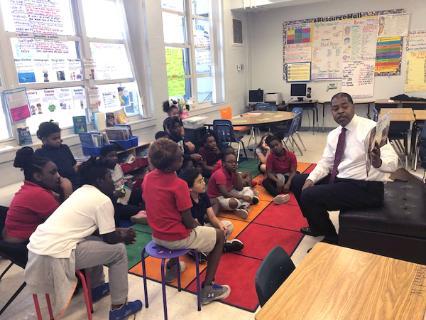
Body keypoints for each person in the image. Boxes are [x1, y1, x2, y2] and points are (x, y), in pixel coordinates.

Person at [25, 157, 142, 320]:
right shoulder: (102, 200)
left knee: (95, 242)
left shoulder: (80, 192)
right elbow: (110, 238)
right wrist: (123, 236)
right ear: (100, 181)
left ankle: (96, 289)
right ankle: (119, 307)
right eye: (110, 178)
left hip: (38, 250)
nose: (113, 182)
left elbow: (93, 231)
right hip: (58, 254)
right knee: (118, 251)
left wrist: (117, 232)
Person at [290, 92, 398, 244]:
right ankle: (317, 226)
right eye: (335, 108)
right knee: (298, 181)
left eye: (344, 106)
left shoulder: (371, 128)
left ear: (353, 107)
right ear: (332, 113)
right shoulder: (334, 135)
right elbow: (326, 162)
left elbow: (394, 162)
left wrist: (378, 162)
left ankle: (332, 239)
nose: (340, 111)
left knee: (309, 196)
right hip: (342, 180)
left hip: (367, 187)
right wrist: (311, 179)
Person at [142, 138, 230, 304]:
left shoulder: (148, 178)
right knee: (219, 235)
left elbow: (160, 209)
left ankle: (173, 268)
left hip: (156, 236)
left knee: (171, 221)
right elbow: (188, 222)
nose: (183, 158)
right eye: (180, 157)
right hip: (176, 239)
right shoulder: (179, 185)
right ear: (171, 165)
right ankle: (208, 288)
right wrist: (197, 226)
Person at [3, 147, 72, 244]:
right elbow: (65, 223)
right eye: (53, 173)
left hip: (17, 238)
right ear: (38, 176)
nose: (58, 176)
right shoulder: (37, 194)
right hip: (23, 245)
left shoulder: (31, 188)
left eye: (57, 171)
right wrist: (68, 191)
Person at [179, 167, 244, 258]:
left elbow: (212, 217)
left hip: (203, 227)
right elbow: (196, 227)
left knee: (228, 225)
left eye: (203, 180)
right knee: (213, 234)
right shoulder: (186, 201)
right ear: (189, 188)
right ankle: (220, 247)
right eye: (199, 182)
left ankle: (209, 250)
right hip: (193, 233)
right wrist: (215, 232)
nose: (204, 183)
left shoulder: (203, 195)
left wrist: (219, 225)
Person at [99, 145, 147, 225]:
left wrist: (127, 187)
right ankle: (137, 215)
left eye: (115, 155)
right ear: (103, 158)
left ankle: (140, 212)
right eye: (111, 156)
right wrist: (127, 188)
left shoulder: (117, 167)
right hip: (116, 203)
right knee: (138, 210)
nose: (115, 158)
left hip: (124, 195)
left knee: (142, 192)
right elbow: (113, 198)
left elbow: (122, 183)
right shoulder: (104, 174)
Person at [207, 152, 259, 220]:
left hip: (230, 192)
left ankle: (242, 207)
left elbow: (240, 188)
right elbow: (225, 194)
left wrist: (236, 173)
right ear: (224, 163)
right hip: (218, 197)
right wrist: (242, 197)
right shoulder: (220, 174)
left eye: (235, 162)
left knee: (248, 189)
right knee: (233, 203)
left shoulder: (232, 171)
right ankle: (245, 204)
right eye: (230, 162)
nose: (234, 164)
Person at [34, 121, 79, 189]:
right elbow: (44, 178)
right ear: (44, 140)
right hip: (58, 185)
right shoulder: (40, 153)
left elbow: (74, 166)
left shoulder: (64, 148)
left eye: (59, 137)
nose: (58, 140)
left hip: (74, 180)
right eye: (54, 139)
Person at [262, 134, 297, 204]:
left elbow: (293, 171)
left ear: (281, 144)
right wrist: (277, 181)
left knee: (297, 179)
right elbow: (269, 173)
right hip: (277, 176)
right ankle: (278, 195)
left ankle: (283, 189)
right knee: (265, 182)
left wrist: (288, 183)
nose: (275, 147)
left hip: (288, 176)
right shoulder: (270, 157)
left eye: (277, 145)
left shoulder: (291, 155)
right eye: (272, 146)